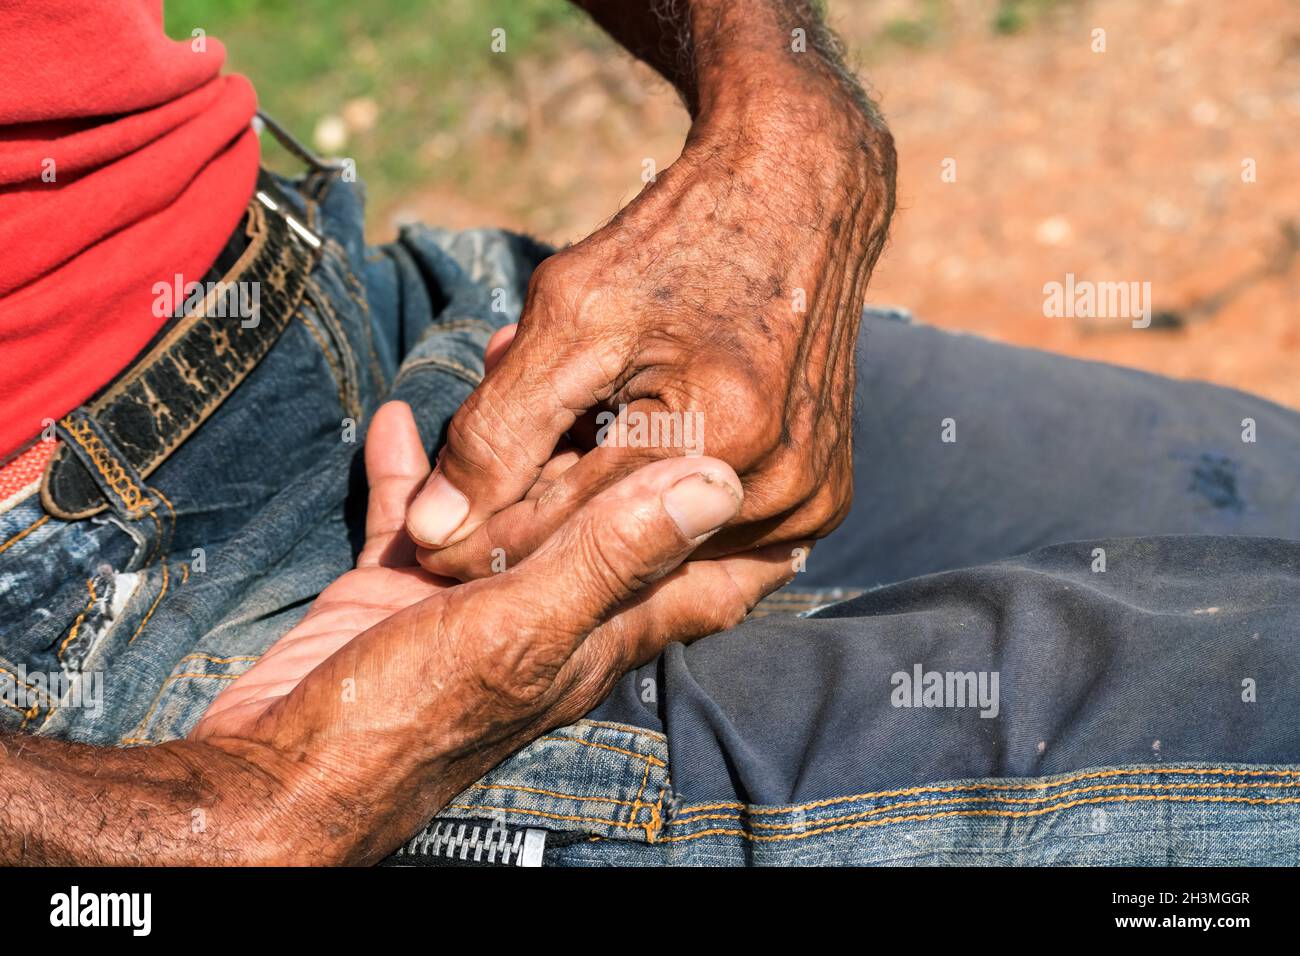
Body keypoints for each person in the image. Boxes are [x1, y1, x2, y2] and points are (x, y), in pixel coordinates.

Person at [1, 0, 1297, 866]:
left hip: (345, 318)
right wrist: (199, 823)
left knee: (1262, 485)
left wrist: (784, 108)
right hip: (141, 700)